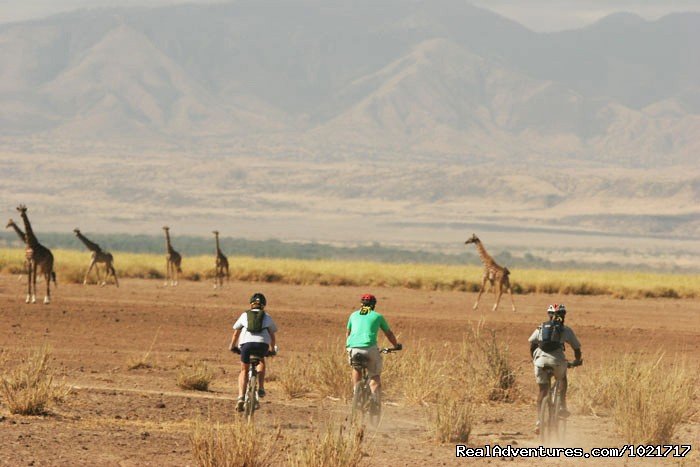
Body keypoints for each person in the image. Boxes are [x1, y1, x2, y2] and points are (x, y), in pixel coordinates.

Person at [528, 303, 582, 432]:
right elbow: (576, 348)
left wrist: (535, 360)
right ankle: (562, 406)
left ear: (549, 314)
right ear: (564, 315)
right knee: (562, 378)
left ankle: (539, 422)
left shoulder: (540, 327)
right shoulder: (566, 330)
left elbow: (532, 344)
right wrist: (577, 360)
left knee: (542, 391)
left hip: (540, 362)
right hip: (557, 361)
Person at [346, 293, 401, 404]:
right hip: (369, 348)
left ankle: (356, 393)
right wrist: (395, 345)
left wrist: (348, 346)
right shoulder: (377, 316)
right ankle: (375, 403)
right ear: (374, 305)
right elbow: (389, 334)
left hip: (353, 348)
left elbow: (348, 332)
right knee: (374, 375)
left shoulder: (353, 315)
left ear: (361, 304)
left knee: (356, 368)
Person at [229, 292, 277, 412]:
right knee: (261, 361)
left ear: (251, 304)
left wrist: (232, 346)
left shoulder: (245, 315)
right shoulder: (267, 316)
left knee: (244, 370)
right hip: (262, 345)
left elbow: (236, 332)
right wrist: (272, 349)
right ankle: (260, 387)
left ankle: (241, 397)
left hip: (246, 345)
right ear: (263, 305)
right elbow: (272, 335)